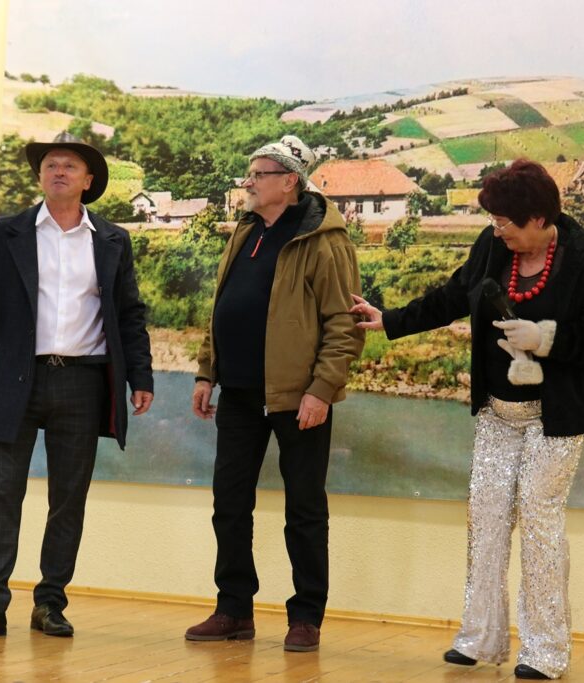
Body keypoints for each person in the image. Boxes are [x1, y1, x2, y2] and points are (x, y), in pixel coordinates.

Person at [349, 159, 584, 679]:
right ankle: (480, 638)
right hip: (498, 412)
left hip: (555, 418)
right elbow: (453, 297)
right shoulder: (491, 247)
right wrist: (390, 320)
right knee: (486, 520)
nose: (497, 230)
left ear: (540, 218)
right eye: (494, 221)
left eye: (506, 222)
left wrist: (545, 339)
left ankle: (544, 652)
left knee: (540, 526)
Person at [0, 132, 154, 641]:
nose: (58, 171)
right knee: (2, 496)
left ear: (88, 181)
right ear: (40, 177)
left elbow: (129, 315)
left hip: (83, 383)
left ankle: (50, 603)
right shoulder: (6, 233)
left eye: (69, 166)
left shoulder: (111, 240)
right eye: (50, 165)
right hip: (14, 380)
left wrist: (141, 377)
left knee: (68, 499)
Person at [185, 135, 364, 653]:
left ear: (289, 181)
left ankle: (306, 617)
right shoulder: (246, 231)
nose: (249, 182)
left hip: (298, 397)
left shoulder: (324, 241)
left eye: (259, 174)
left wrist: (322, 390)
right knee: (229, 504)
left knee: (304, 510)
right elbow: (221, 306)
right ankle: (234, 610)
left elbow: (344, 325)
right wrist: (206, 372)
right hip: (239, 393)